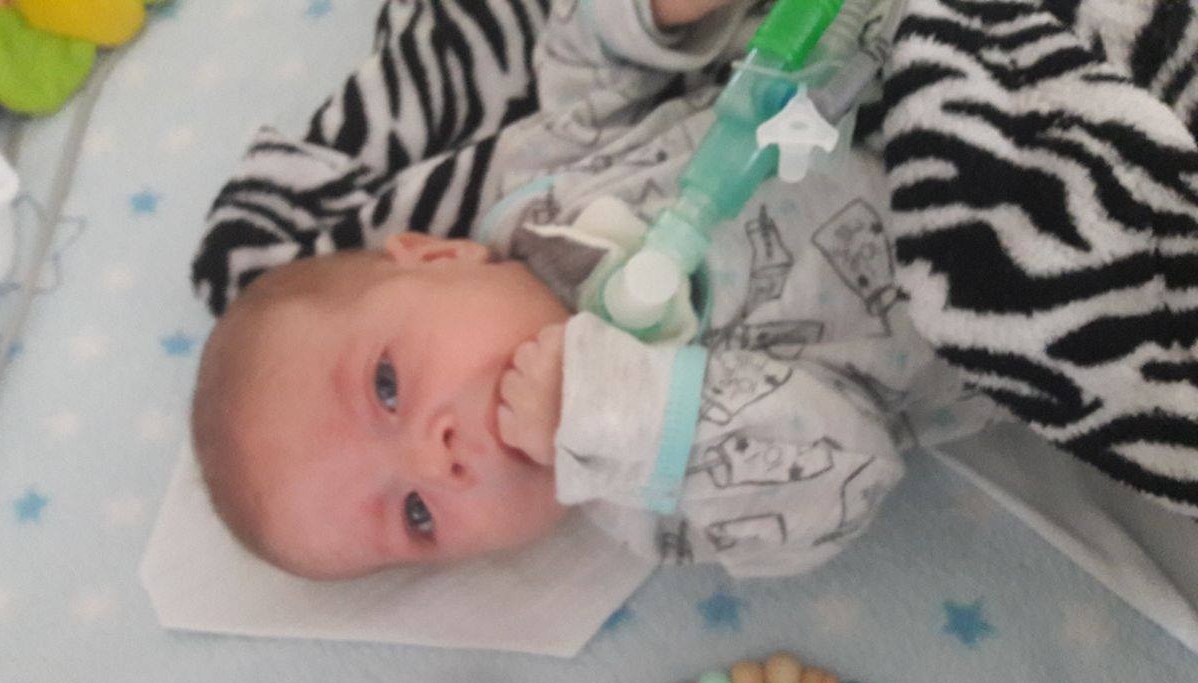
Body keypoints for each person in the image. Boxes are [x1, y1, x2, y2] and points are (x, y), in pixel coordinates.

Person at [190, 0, 997, 581]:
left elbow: (588, 65)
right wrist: (616, 416)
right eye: (417, 514)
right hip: (994, 255)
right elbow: (846, 477)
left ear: (436, 255)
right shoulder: (654, 506)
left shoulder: (541, 188)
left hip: (897, 56)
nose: (437, 459)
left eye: (388, 386)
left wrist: (656, 16)